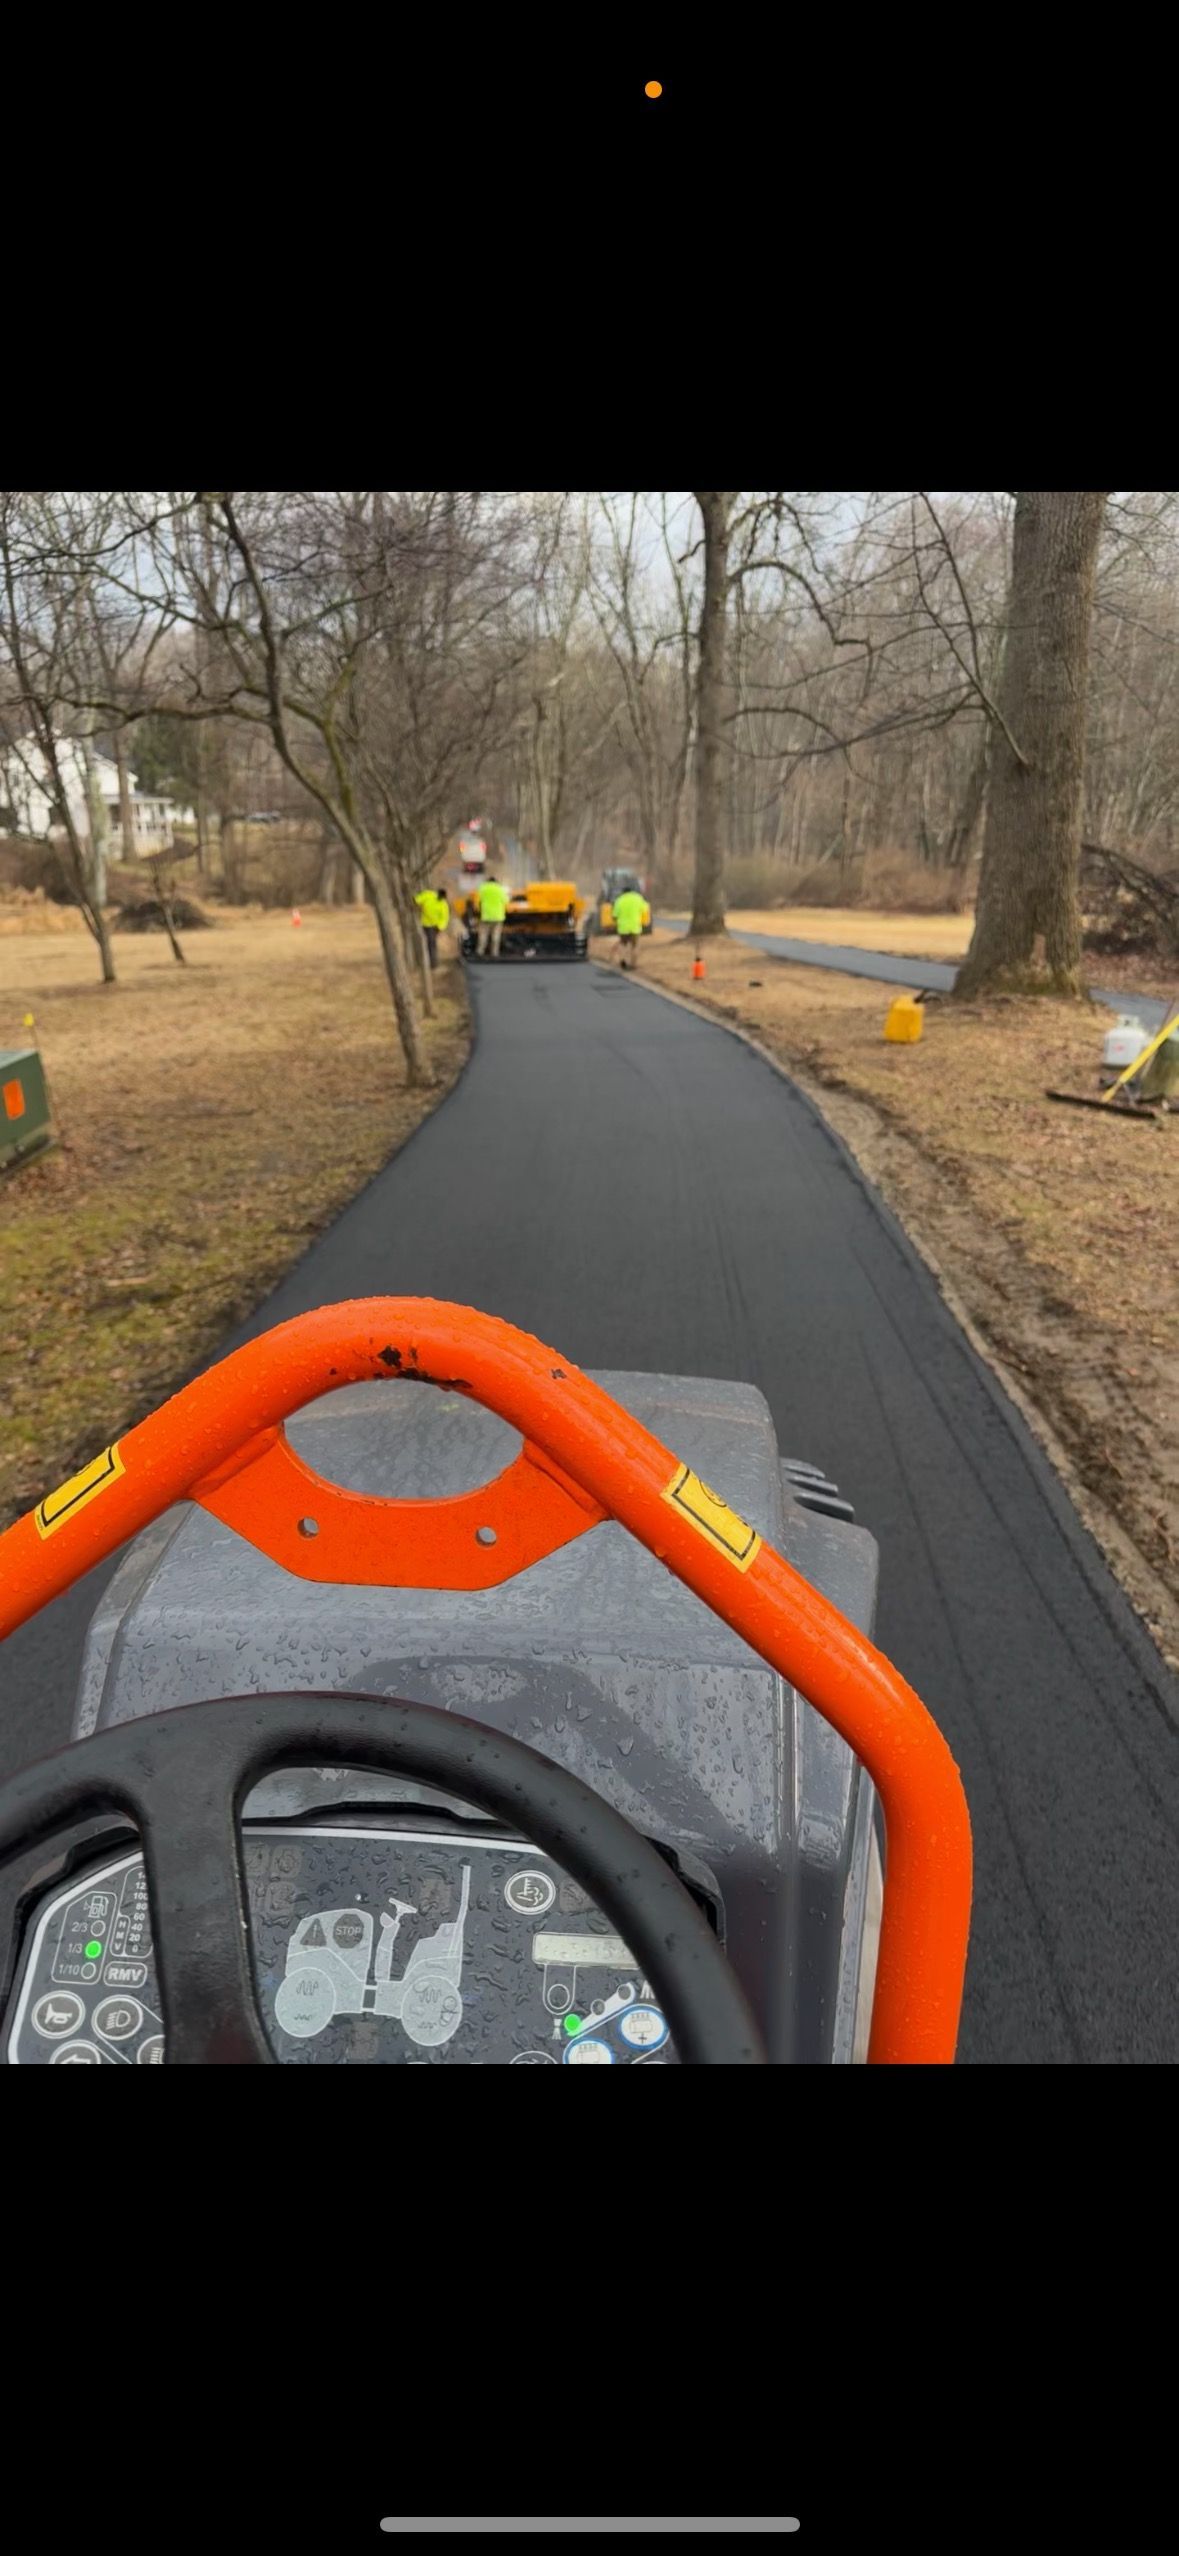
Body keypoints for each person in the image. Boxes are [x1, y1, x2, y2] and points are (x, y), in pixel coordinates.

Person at [611, 884, 649, 970]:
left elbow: (615, 915)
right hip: (635, 927)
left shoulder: (619, 900)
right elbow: (645, 909)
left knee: (623, 944)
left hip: (623, 928)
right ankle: (633, 964)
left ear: (623, 892)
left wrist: (616, 922)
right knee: (634, 946)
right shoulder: (638, 898)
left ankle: (623, 960)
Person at [475, 872, 509, 960]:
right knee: (496, 936)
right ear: (496, 882)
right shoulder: (500, 889)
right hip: (498, 916)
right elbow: (506, 901)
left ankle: (480, 952)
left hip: (486, 916)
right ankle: (494, 954)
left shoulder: (483, 888)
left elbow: (478, 901)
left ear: (488, 881)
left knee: (483, 935)